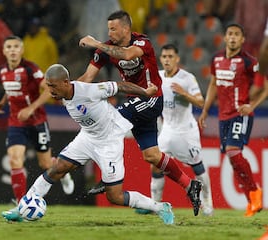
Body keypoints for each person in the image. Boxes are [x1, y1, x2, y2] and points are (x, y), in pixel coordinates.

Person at [3, 63, 175, 224]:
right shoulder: (62, 93)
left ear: (66, 82)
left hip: (109, 141)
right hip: (87, 137)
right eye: (48, 85)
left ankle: (160, 207)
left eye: (53, 86)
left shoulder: (88, 91)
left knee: (114, 196)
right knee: (58, 168)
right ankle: (22, 208)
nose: (50, 90)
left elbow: (119, 86)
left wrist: (145, 92)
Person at [78, 10, 202, 216]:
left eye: (113, 29)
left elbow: (127, 54)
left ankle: (109, 176)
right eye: (109, 29)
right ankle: (190, 185)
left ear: (126, 28)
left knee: (111, 121)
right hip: (134, 100)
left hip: (151, 98)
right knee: (152, 155)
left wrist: (97, 43)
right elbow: (87, 77)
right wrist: (67, 90)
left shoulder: (143, 43)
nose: (109, 32)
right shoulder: (106, 49)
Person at [0, 36, 74, 211]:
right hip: (16, 122)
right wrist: (2, 101)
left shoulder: (30, 68)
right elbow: (12, 89)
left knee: (46, 165)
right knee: (15, 160)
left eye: (16, 46)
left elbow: (48, 89)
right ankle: (20, 204)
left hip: (37, 121)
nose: (13, 50)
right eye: (9, 46)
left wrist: (31, 108)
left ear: (22, 50)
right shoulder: (2, 70)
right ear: (4, 51)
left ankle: (63, 174)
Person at [198, 23, 267, 217]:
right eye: (230, 34)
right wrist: (205, 111)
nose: (233, 37)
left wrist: (252, 106)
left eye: (237, 34)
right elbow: (213, 84)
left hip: (241, 114)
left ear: (242, 40)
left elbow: (265, 86)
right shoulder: (216, 59)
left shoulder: (249, 62)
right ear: (225, 37)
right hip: (223, 117)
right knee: (232, 158)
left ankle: (254, 192)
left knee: (233, 151)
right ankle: (251, 200)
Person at [142, 44, 213, 216]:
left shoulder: (187, 78)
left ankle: (208, 202)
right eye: (164, 56)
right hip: (167, 130)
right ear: (161, 59)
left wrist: (184, 94)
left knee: (198, 168)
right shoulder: (156, 77)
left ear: (177, 59)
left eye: (170, 56)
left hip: (186, 132)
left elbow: (201, 102)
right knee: (155, 165)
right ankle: (155, 205)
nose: (167, 60)